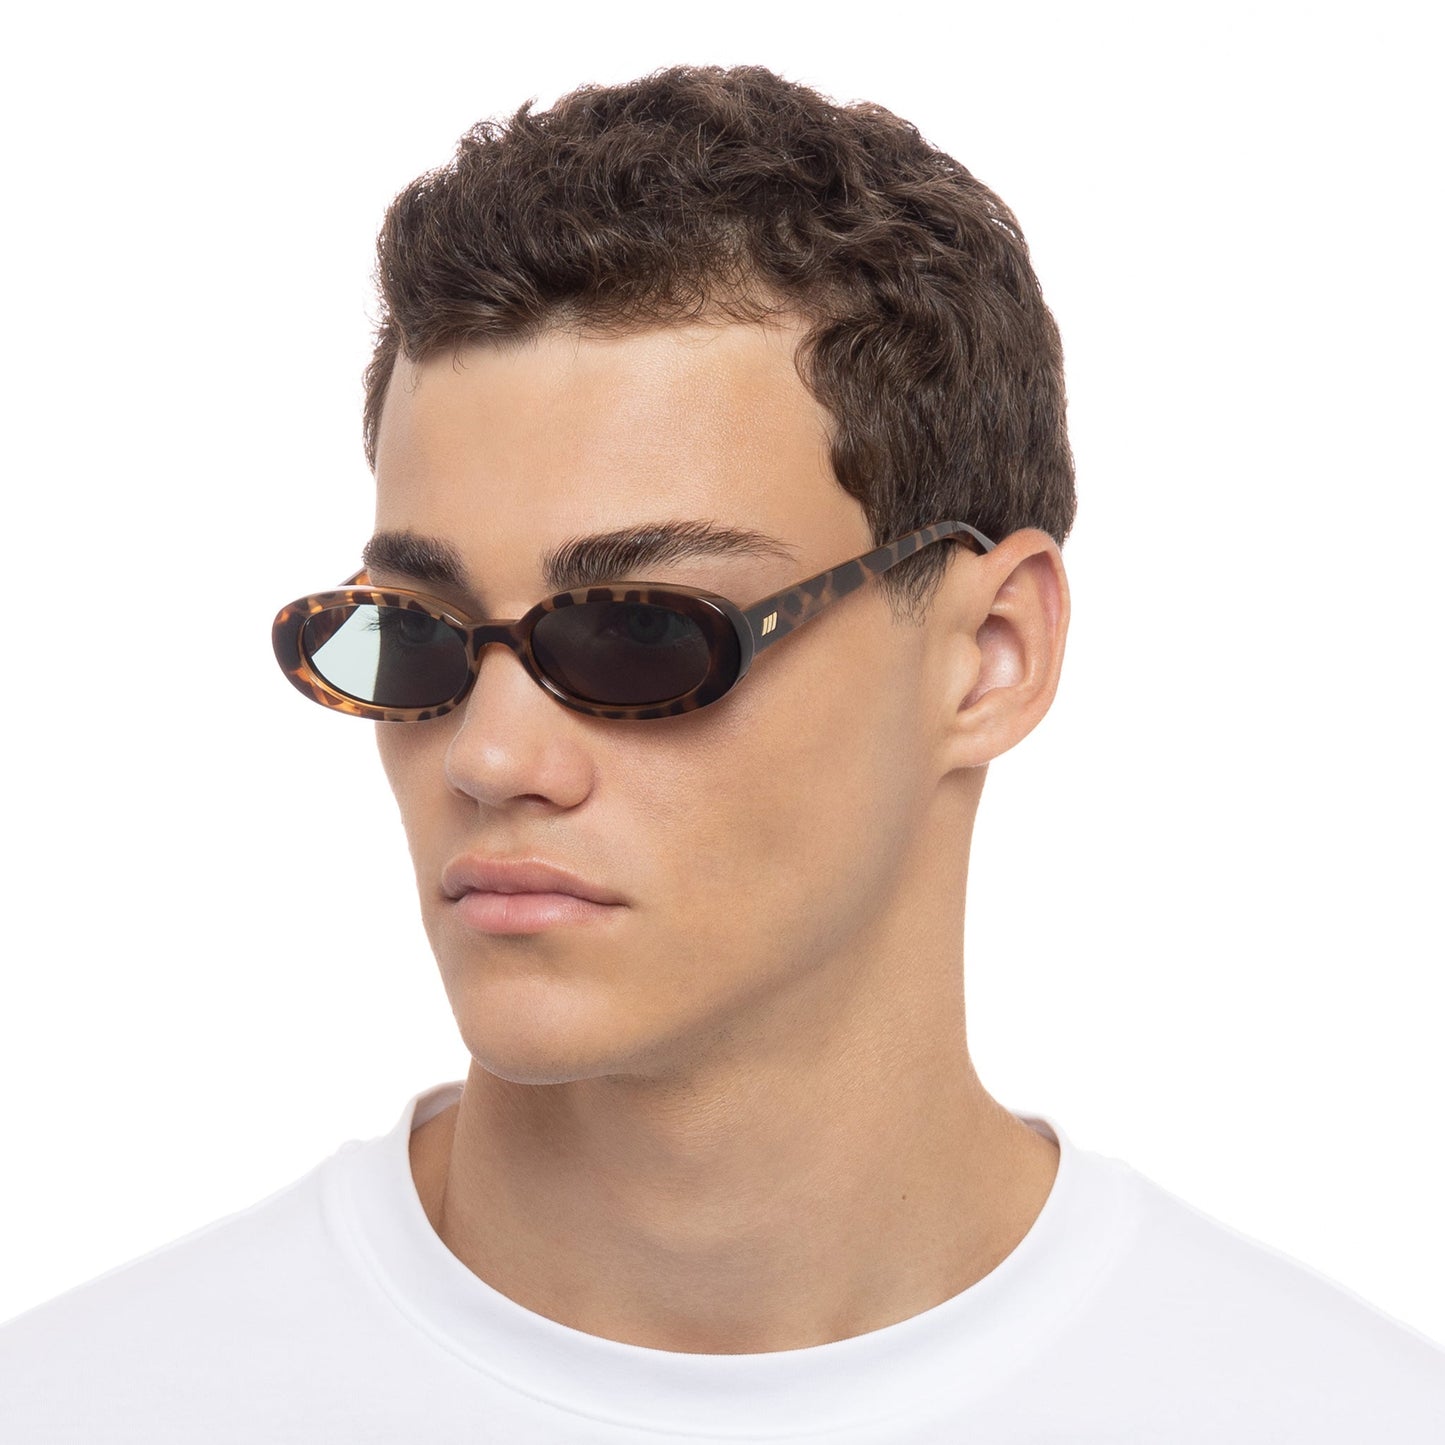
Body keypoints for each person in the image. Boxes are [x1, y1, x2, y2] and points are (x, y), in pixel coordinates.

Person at [2, 63, 1441, 1444]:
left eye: (639, 634)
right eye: (418, 637)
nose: (491, 756)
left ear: (992, 651)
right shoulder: (85, 1407)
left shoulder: (1337, 1417)